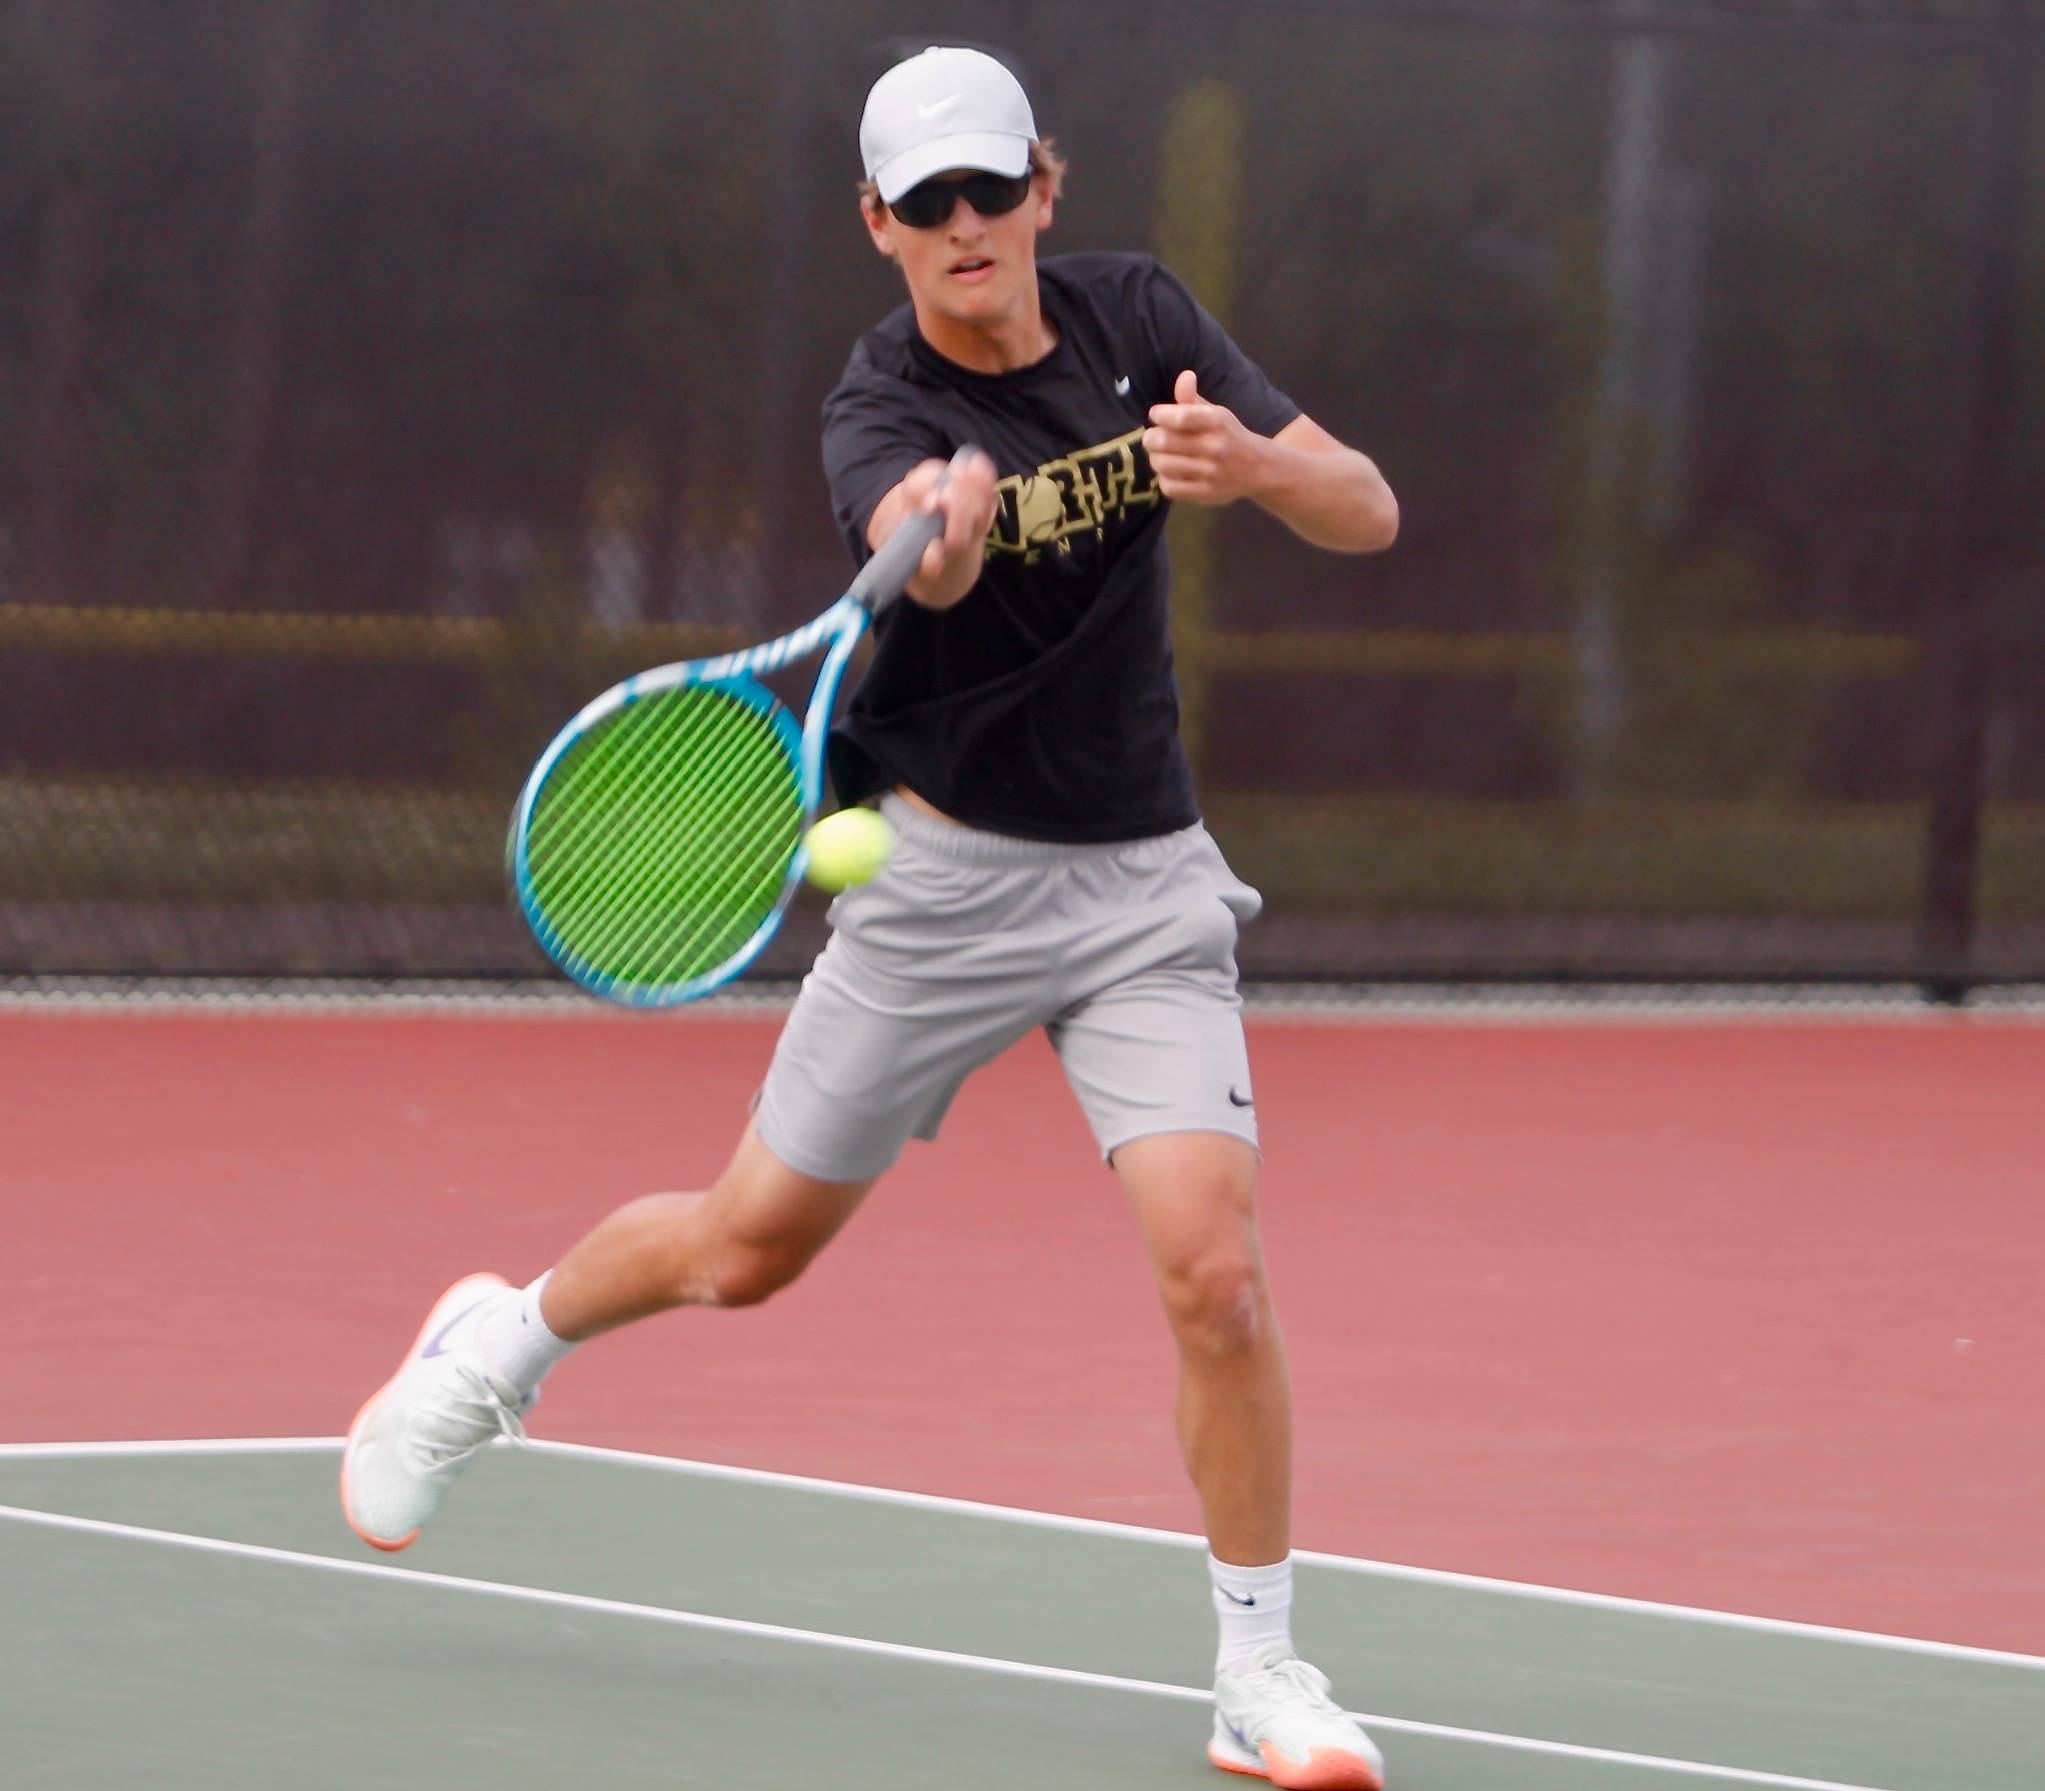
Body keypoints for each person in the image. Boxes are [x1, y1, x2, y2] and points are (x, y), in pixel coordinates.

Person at [342, 43, 1397, 1791]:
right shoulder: (877, 406)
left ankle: (1258, 1672)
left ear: (1045, 190)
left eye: (992, 191)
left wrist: (1257, 469)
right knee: (743, 1252)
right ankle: (496, 1346)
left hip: (1141, 881)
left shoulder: (1141, 315)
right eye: (929, 206)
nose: (967, 227)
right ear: (879, 227)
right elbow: (929, 547)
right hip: (938, 886)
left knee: (1215, 1275)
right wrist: (945, 527)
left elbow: (1365, 508)